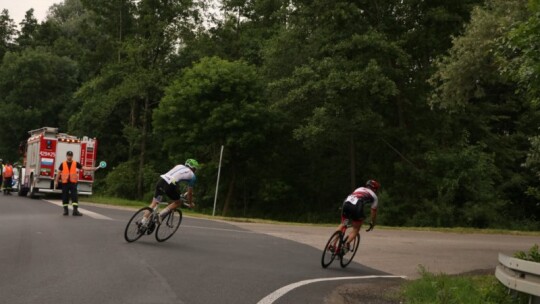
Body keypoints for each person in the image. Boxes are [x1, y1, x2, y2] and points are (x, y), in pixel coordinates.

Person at [143, 159, 199, 224]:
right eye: (195, 169)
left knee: (154, 203)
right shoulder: (193, 176)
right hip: (171, 184)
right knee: (178, 202)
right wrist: (190, 203)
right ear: (193, 168)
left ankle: (142, 222)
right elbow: (189, 193)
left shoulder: (179, 165)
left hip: (161, 181)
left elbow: (175, 175)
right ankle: (160, 215)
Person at [338, 179, 380, 250]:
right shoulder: (374, 197)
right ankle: (346, 245)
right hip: (357, 205)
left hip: (346, 202)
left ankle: (332, 245)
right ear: (375, 189)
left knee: (343, 224)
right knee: (356, 228)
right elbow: (373, 212)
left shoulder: (359, 188)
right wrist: (372, 222)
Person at [54, 151, 98, 216]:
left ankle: (75, 211)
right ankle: (65, 210)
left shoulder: (75, 163)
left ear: (72, 156)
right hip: (65, 183)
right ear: (66, 156)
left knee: (74, 197)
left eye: (71, 156)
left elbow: (83, 168)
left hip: (73, 183)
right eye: (68, 155)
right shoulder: (62, 164)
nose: (69, 157)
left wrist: (92, 169)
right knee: (65, 197)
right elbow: (59, 173)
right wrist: (56, 181)